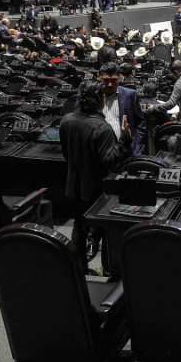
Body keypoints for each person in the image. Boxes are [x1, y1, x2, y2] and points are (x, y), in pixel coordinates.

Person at [61, 80, 126, 265]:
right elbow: (110, 161)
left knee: (79, 228)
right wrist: (125, 140)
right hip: (98, 189)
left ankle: (79, 269)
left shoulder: (66, 120)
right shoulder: (102, 127)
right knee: (106, 230)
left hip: (73, 186)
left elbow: (66, 153)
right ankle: (107, 271)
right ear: (102, 99)